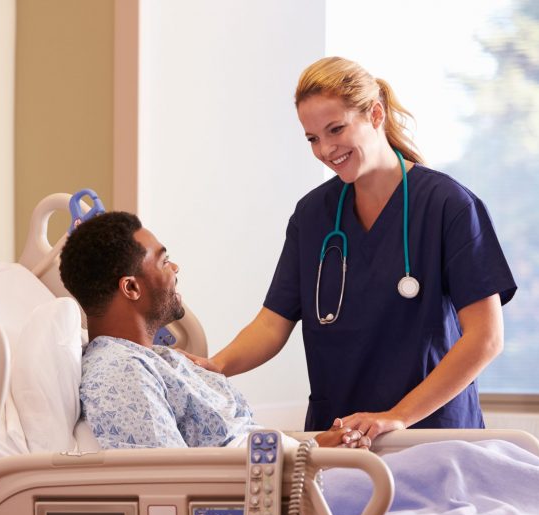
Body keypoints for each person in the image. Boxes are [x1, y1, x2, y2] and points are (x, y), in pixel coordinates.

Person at [185, 56, 516, 441]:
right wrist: (217, 365)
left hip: (430, 436)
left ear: (375, 114)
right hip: (340, 436)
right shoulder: (313, 215)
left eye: (336, 129)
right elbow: (272, 323)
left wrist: (398, 416)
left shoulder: (448, 206)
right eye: (312, 138)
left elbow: (485, 338)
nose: (325, 149)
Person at [58, 211, 370, 451]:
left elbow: (236, 443)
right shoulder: (121, 373)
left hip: (288, 482)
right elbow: (171, 482)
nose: (175, 269)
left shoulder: (160, 359)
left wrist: (313, 448)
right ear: (131, 287)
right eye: (164, 261)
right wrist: (311, 452)